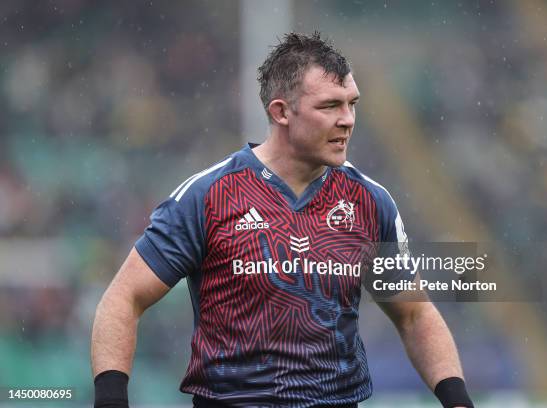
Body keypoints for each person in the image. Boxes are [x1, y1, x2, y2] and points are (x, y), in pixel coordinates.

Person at [91, 32, 474, 408]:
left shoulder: (370, 201)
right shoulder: (208, 196)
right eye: (329, 106)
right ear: (281, 112)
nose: (347, 120)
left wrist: (457, 401)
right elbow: (124, 298)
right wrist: (111, 400)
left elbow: (414, 313)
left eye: (351, 104)